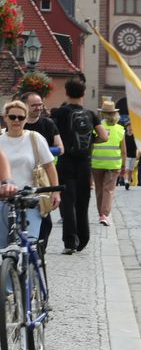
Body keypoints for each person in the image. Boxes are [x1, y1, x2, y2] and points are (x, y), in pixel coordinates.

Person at [51, 78, 106, 254]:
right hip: (84, 163)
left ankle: (70, 242)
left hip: (65, 162)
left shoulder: (58, 113)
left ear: (66, 93)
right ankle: (83, 238)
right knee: (83, 202)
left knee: (67, 203)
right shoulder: (90, 114)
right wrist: (90, 142)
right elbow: (104, 136)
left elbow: (53, 137)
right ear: (83, 94)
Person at [0, 99, 59, 239]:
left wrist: (55, 191)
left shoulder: (35, 138)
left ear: (26, 119)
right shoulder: (1, 140)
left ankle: (34, 259)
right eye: (12, 117)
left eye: (20, 117)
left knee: (29, 241)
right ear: (5, 118)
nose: (16, 120)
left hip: (29, 198)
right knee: (3, 246)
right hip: (3, 199)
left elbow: (49, 166)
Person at [21, 91, 62, 251]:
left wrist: (40, 152)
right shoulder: (17, 124)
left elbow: (60, 148)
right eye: (34, 105)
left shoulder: (48, 124)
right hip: (20, 178)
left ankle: (39, 253)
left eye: (40, 104)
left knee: (45, 220)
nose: (39, 108)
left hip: (41, 177)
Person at [90, 99, 125, 226]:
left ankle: (101, 214)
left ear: (103, 114)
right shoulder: (120, 129)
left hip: (97, 163)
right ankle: (104, 215)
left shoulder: (97, 128)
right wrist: (124, 166)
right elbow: (123, 150)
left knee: (99, 189)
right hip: (113, 164)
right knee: (108, 190)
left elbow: (92, 145)